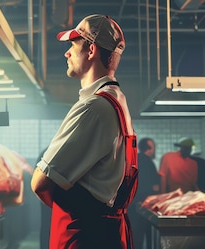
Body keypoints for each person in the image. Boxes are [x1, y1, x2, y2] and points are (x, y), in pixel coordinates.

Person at [30, 14, 136, 249]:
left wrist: (70, 211)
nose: (67, 53)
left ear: (91, 51)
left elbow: (40, 183)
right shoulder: (117, 100)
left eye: (73, 45)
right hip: (105, 232)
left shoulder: (94, 107)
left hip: (85, 236)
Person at [129, 138, 161, 249]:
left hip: (131, 203)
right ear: (149, 148)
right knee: (143, 234)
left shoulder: (134, 159)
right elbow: (155, 186)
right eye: (154, 147)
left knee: (134, 234)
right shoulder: (149, 162)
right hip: (144, 204)